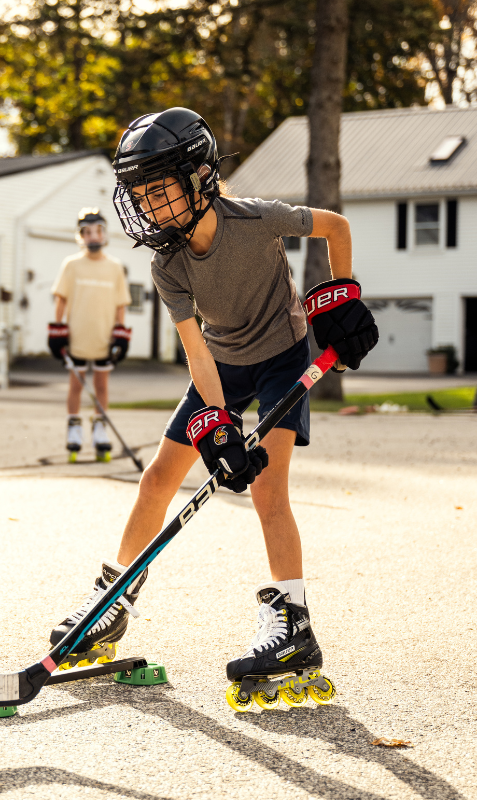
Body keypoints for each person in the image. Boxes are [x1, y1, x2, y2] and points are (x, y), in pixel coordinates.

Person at [48, 108, 378, 710]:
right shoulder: (166, 264)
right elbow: (197, 354)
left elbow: (335, 225)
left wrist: (341, 295)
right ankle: (114, 598)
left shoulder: (254, 219)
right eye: (138, 193)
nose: (148, 205)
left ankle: (294, 626)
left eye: (158, 189)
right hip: (221, 364)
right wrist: (218, 428)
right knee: (156, 479)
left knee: (268, 491)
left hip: (283, 357)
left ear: (199, 176)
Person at [48, 209, 133, 463]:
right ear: (80, 236)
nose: (92, 236)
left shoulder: (115, 267)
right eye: (86, 232)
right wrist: (57, 330)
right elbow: (61, 299)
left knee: (101, 386)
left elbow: (121, 304)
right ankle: (73, 428)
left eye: (97, 230)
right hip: (77, 338)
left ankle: (99, 428)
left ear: (104, 233)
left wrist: (121, 333)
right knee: (75, 384)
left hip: (103, 339)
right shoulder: (71, 265)